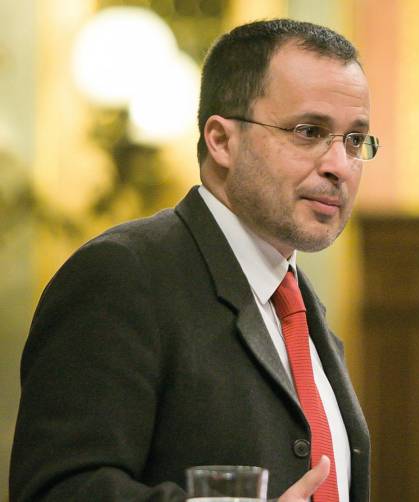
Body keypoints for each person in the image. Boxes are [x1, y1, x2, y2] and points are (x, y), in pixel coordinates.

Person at [10, 19, 376, 502]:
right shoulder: (122, 276)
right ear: (222, 141)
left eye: (355, 140)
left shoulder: (300, 309)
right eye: (309, 131)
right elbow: (56, 490)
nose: (340, 166)